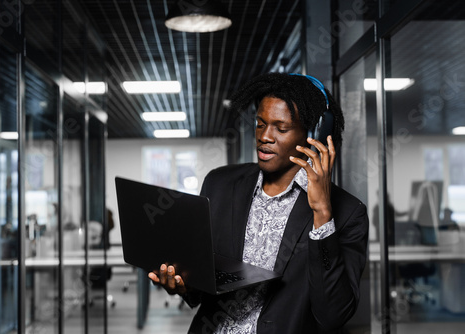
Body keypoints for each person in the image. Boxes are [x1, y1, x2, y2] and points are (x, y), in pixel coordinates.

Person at [149, 72, 369, 333]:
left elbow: (333, 314)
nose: (265, 136)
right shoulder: (219, 185)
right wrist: (181, 284)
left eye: (281, 128)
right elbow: (200, 285)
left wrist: (322, 212)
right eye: (260, 123)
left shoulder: (348, 214)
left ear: (314, 135)